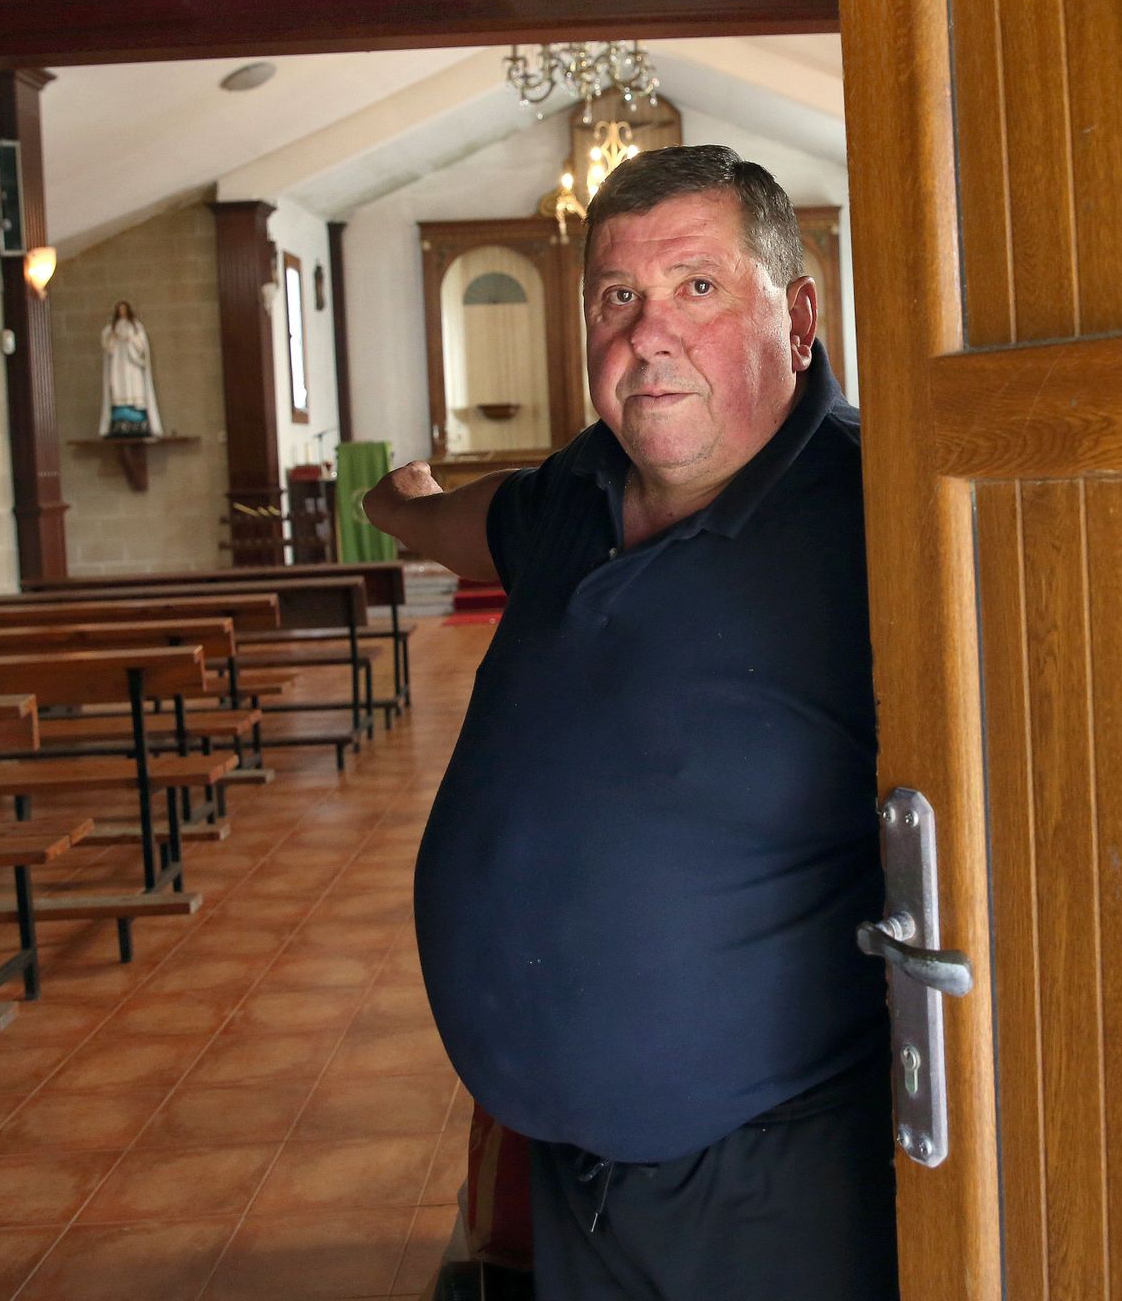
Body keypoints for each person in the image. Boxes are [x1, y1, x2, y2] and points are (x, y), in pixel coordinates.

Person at [366, 145, 896, 1301]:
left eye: (698, 286)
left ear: (799, 317)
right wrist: (391, 501)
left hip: (774, 1178)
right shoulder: (574, 493)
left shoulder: (883, 520)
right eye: (618, 295)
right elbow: (452, 525)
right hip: (579, 1181)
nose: (650, 332)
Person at [99, 300, 161, 436]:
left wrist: (131, 339)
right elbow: (107, 344)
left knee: (134, 385)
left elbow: (142, 345)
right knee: (119, 385)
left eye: (124, 309)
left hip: (132, 363)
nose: (122, 311)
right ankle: (121, 413)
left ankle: (136, 413)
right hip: (118, 362)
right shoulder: (112, 327)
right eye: (120, 309)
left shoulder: (136, 326)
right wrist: (114, 337)